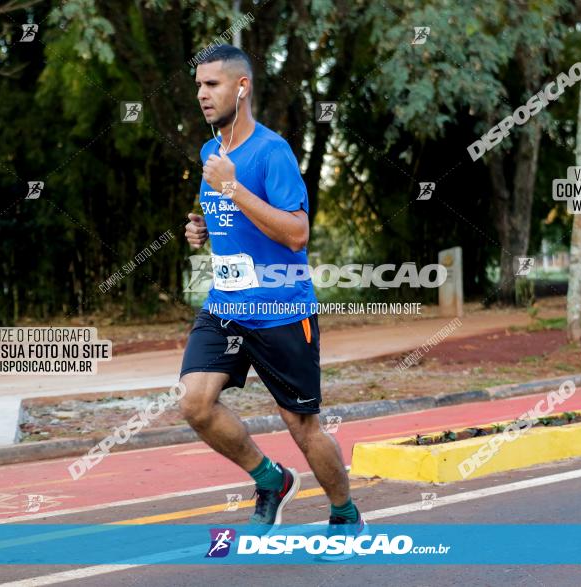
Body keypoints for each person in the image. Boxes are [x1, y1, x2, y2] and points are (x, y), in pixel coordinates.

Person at [181, 44, 365, 552]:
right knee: (195, 404)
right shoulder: (208, 152)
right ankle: (269, 479)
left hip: (282, 309)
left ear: (242, 88)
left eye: (212, 84)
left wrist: (234, 188)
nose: (202, 94)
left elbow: (296, 233)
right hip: (226, 305)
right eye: (198, 85)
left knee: (302, 426)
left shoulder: (272, 152)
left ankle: (345, 513)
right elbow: (231, 221)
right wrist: (202, 228)